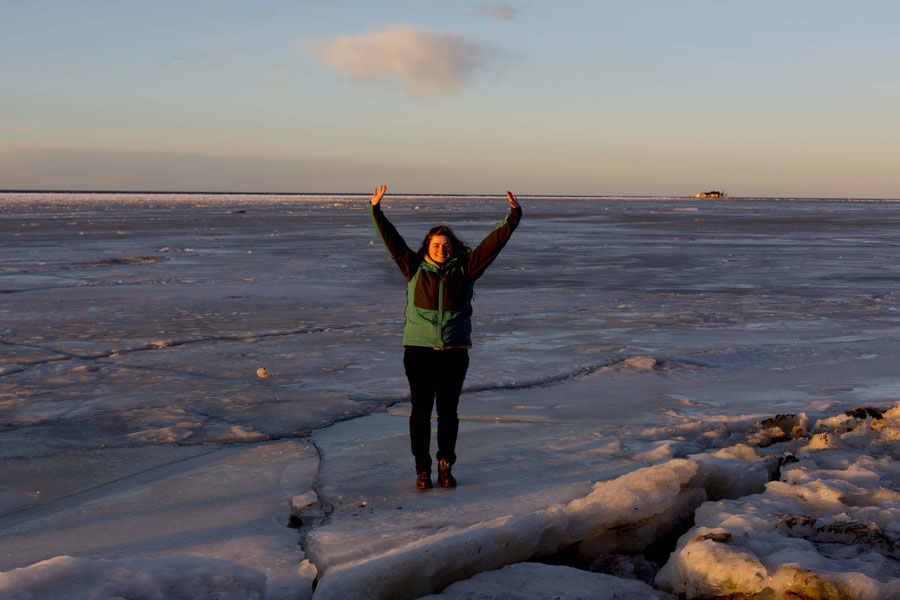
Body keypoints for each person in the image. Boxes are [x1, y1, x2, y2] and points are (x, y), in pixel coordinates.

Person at [368, 185, 523, 489]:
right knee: (421, 411)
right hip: (419, 351)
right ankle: (422, 470)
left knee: (448, 412)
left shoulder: (466, 270)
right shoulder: (413, 268)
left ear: (453, 247)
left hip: (454, 352)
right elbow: (393, 241)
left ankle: (445, 465)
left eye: (446, 245)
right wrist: (376, 210)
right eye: (436, 245)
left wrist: (513, 217)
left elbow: (492, 245)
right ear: (427, 247)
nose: (442, 249)